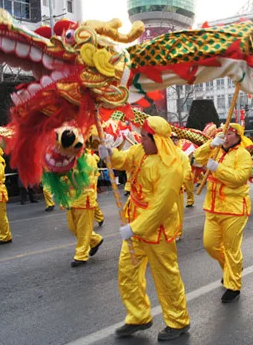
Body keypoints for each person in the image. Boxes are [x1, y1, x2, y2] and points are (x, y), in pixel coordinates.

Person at [104, 116, 190, 341]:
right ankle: (138, 316)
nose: (139, 139)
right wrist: (109, 154)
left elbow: (161, 206)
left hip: (157, 230)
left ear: (157, 139)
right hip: (134, 224)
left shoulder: (173, 165)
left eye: (143, 136)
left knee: (166, 277)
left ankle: (178, 321)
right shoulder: (139, 152)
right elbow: (123, 160)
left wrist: (135, 227)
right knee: (127, 273)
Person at [193, 123, 252, 302]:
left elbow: (239, 179)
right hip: (213, 206)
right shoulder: (216, 151)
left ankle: (233, 285)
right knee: (210, 245)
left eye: (230, 133)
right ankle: (230, 270)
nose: (226, 136)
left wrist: (217, 168)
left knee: (231, 248)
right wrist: (210, 145)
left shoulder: (243, 154)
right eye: (224, 132)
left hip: (234, 208)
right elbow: (196, 157)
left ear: (238, 137)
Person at [65, 151, 104, 267]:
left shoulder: (88, 158)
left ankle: (81, 255)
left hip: (84, 197)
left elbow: (79, 176)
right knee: (73, 228)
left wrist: (64, 170)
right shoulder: (68, 157)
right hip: (71, 199)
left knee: (83, 229)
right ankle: (95, 239)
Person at [170, 133, 192, 241]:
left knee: (178, 212)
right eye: (170, 139)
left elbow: (187, 171)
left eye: (174, 140)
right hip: (164, 190)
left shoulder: (182, 155)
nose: (172, 142)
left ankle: (178, 233)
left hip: (177, 189)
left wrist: (179, 183)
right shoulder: (162, 154)